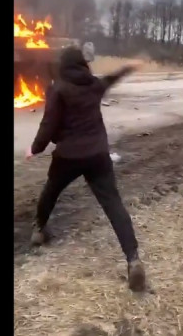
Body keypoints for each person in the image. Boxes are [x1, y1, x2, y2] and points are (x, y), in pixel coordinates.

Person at [25, 46, 146, 291]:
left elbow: (49, 124)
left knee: (51, 190)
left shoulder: (57, 88)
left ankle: (39, 230)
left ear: (63, 65)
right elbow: (112, 78)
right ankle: (133, 259)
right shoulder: (93, 85)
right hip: (97, 155)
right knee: (113, 204)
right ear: (83, 64)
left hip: (68, 156)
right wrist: (129, 67)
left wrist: (35, 148)